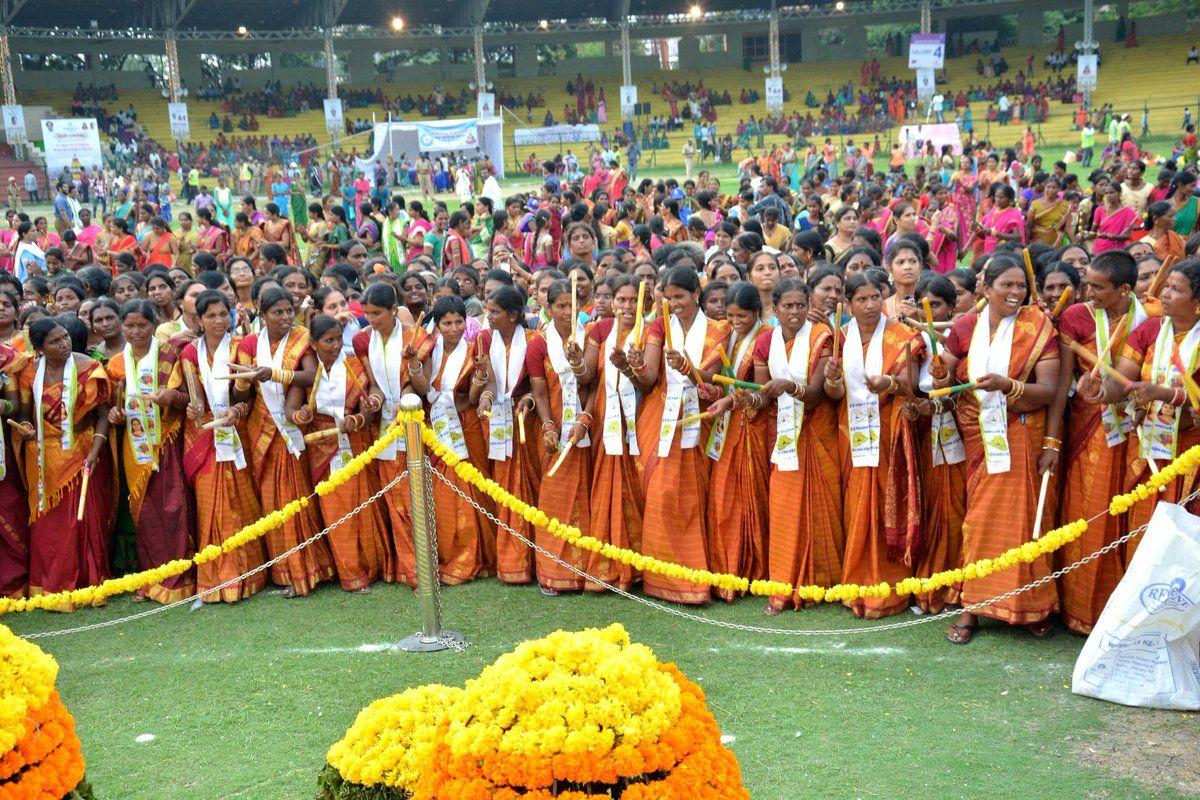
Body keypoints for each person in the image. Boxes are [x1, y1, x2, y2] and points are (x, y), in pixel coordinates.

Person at [940, 254, 1060, 642]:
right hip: (977, 435)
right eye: (1006, 284)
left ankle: (1030, 607)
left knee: (1025, 522)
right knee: (979, 521)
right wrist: (939, 374)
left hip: (1022, 432)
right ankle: (973, 607)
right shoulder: (965, 326)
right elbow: (943, 376)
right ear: (985, 288)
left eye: (1021, 285)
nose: (1015, 292)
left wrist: (1009, 386)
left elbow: (1049, 390)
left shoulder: (1037, 326)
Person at [1046, 251, 1144, 634]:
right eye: (1087, 284)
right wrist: (1052, 439)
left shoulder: (1148, 318)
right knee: (1088, 511)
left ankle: (1126, 612)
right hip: (1089, 428)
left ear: (1125, 289)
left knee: (1130, 515)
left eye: (1098, 287)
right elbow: (1061, 386)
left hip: (1139, 429)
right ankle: (1082, 609)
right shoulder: (1076, 317)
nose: (1089, 293)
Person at [625, 266, 729, 604]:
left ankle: (697, 579)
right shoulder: (659, 325)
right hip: (663, 418)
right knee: (661, 492)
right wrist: (635, 365)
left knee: (698, 497)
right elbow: (649, 379)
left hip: (702, 419)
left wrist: (686, 367)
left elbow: (714, 380)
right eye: (667, 298)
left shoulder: (719, 330)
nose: (673, 303)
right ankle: (662, 578)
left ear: (696, 294)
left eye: (680, 296)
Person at [231, 286, 335, 597]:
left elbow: (312, 376)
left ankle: (309, 568)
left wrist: (274, 374)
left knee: (296, 498)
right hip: (261, 431)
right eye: (277, 312)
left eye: (289, 310)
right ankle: (284, 571)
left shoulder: (302, 337)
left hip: (293, 429)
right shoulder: (249, 344)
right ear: (262, 315)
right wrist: (243, 381)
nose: (286, 317)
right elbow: (241, 394)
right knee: (271, 502)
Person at [170, 290, 268, 603]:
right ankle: (215, 579)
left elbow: (249, 393)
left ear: (231, 315)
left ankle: (248, 576)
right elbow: (192, 395)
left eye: (223, 314)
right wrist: (194, 408)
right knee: (210, 506)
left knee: (241, 501)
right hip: (204, 435)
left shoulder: (242, 346)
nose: (217, 321)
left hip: (237, 430)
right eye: (210, 316)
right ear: (198, 320)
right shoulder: (190, 352)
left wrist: (237, 410)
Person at [836, 271, 923, 618]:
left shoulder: (902, 335)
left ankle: (889, 587)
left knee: (887, 500)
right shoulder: (840, 336)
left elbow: (912, 385)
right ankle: (856, 582)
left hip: (890, 430)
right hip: (851, 431)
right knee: (857, 502)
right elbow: (833, 391)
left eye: (875, 297)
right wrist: (831, 382)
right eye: (862, 299)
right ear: (849, 304)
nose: (870, 305)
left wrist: (889, 382)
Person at [286, 314, 393, 591]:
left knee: (363, 505)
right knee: (336, 511)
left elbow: (372, 399)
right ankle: (351, 574)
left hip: (355, 442)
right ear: (313, 344)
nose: (335, 346)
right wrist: (301, 415)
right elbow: (290, 410)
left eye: (338, 339)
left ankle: (373, 567)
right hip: (322, 448)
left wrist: (361, 415)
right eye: (328, 341)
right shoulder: (307, 371)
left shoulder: (353, 364)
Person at [15, 317, 114, 610]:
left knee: (84, 521)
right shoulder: (29, 372)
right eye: (55, 341)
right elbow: (25, 415)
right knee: (49, 526)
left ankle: (89, 585)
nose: (64, 344)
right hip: (42, 458)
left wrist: (95, 451)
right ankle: (51, 587)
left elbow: (103, 415)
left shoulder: (89, 368)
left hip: (83, 451)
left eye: (65, 337)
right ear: (40, 349)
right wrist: (25, 428)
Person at [105, 300, 196, 604]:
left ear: (154, 323)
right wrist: (116, 416)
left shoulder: (172, 354)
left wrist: (173, 397)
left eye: (142, 325)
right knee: (144, 514)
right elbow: (114, 405)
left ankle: (180, 579)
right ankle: (152, 579)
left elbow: (191, 398)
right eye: (129, 326)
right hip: (135, 448)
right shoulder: (117, 364)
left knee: (174, 509)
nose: (136, 332)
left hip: (168, 441)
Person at [353, 282, 433, 587]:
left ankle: (424, 566)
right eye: (367, 314)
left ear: (393, 310)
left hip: (413, 423)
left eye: (377, 313)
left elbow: (420, 385)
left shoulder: (418, 338)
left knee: (414, 498)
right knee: (394, 500)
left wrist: (407, 390)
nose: (371, 320)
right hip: (384, 428)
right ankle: (408, 568)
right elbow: (374, 384)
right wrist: (375, 400)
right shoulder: (363, 341)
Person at [701, 281, 769, 601]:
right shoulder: (729, 336)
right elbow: (726, 383)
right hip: (727, 424)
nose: (735, 321)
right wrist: (716, 393)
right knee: (723, 497)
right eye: (730, 316)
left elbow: (761, 390)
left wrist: (731, 400)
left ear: (756, 312)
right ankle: (726, 568)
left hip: (751, 425)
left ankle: (750, 570)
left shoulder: (764, 337)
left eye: (742, 316)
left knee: (745, 498)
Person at [420, 296, 492, 583]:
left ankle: (479, 556)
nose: (453, 329)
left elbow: (473, 398)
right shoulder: (429, 350)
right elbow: (423, 388)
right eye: (447, 323)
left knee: (474, 488)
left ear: (466, 322)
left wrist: (480, 375)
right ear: (437, 326)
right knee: (444, 493)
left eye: (458, 322)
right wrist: (413, 362)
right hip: (437, 426)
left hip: (467, 426)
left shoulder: (475, 351)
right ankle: (453, 555)